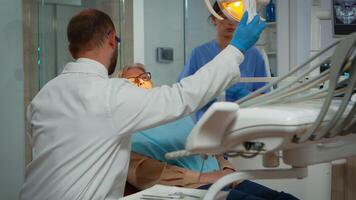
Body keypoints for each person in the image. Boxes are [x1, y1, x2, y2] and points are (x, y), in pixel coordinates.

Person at [20, 8, 266, 200]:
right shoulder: (112, 95)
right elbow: (183, 97)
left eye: (144, 78)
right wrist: (236, 49)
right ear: (110, 39)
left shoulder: (43, 97)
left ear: (70, 49)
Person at [119, 65, 299, 200]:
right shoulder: (126, 130)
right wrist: (208, 177)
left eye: (144, 78)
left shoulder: (177, 114)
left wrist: (226, 167)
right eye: (132, 82)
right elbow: (148, 175)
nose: (140, 84)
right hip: (193, 188)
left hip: (225, 177)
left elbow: (207, 145)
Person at [179, 1, 269, 122]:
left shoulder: (254, 55)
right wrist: (211, 94)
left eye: (234, 16)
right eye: (224, 16)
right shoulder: (199, 53)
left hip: (244, 122)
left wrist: (244, 94)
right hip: (207, 122)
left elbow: (265, 98)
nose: (230, 22)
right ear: (213, 19)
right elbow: (184, 95)